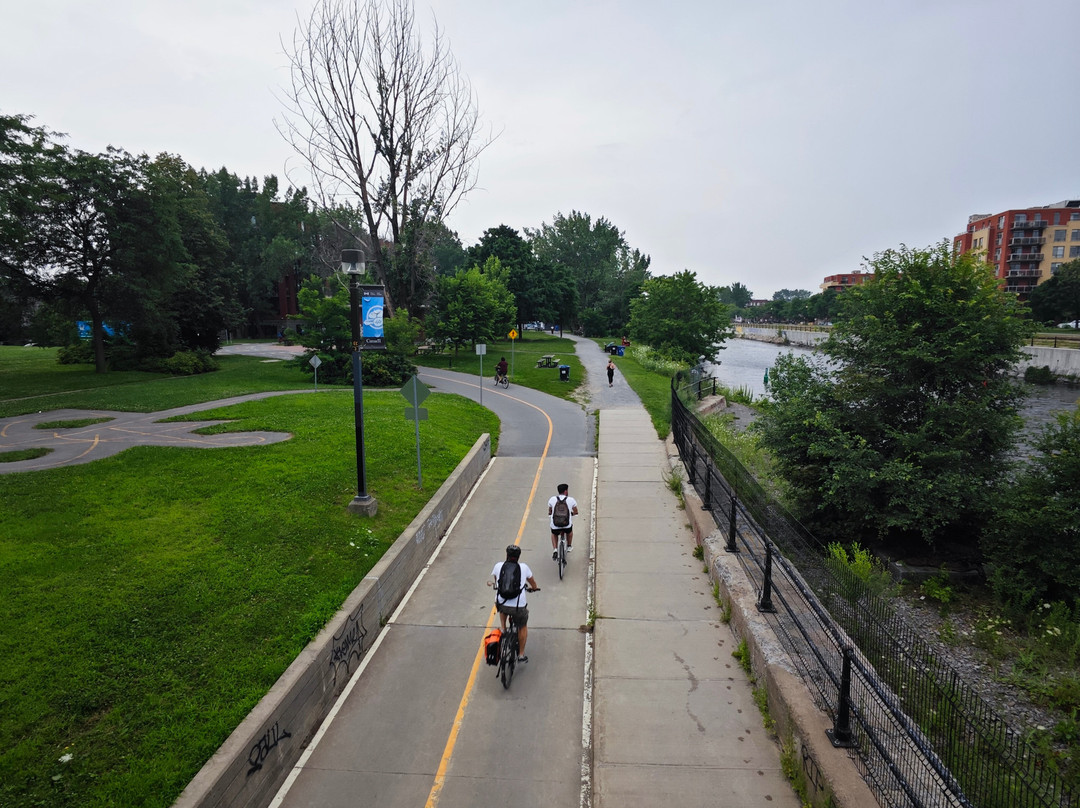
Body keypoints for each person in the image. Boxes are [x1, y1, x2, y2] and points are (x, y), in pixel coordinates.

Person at [491, 544, 538, 662]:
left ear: (506, 555)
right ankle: (521, 655)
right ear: (518, 557)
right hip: (519, 607)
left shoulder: (498, 566)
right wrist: (534, 588)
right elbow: (533, 583)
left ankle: (503, 628)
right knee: (522, 626)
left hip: (502, 603)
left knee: (502, 607)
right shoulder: (524, 567)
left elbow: (497, 583)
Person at [548, 482, 579, 559]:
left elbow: (550, 511)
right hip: (566, 525)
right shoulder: (571, 500)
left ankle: (555, 549)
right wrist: (572, 514)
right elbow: (576, 512)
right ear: (566, 491)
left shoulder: (552, 499)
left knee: (554, 534)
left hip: (555, 525)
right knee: (570, 532)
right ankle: (569, 546)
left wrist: (550, 514)